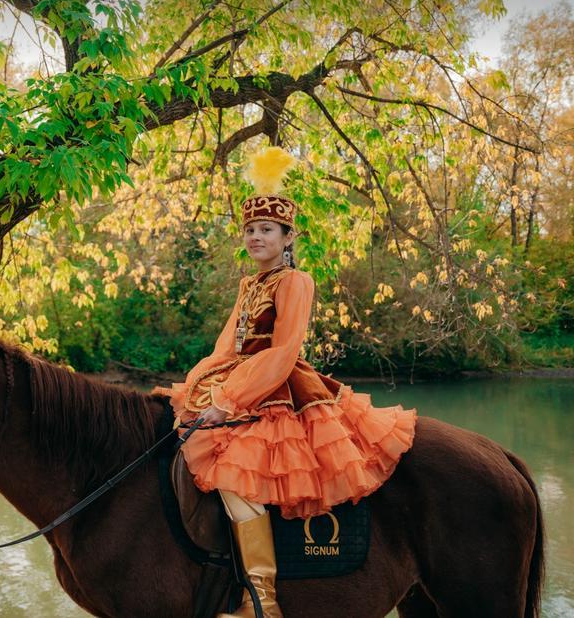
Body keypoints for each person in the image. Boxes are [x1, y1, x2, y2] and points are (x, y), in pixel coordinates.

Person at [154, 147, 417, 618]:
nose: (256, 237)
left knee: (239, 482)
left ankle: (263, 602)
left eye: (266, 230)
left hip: (277, 388)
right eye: (250, 230)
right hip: (240, 377)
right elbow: (227, 347)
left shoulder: (295, 281)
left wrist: (230, 401)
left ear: (286, 236)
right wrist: (198, 385)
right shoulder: (248, 284)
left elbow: (282, 351)